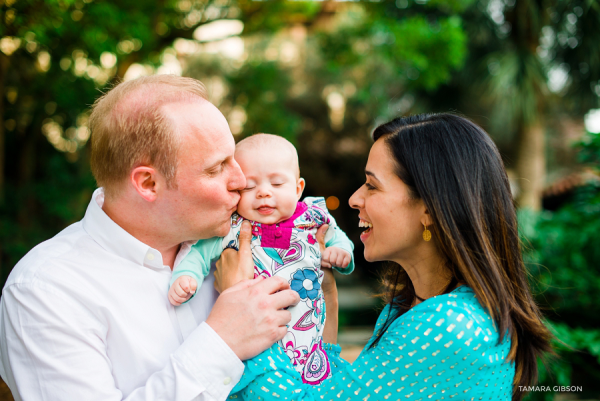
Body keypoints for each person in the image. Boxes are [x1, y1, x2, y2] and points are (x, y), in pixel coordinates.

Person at [0, 75, 301, 400]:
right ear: (147, 184)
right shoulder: (46, 292)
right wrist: (222, 342)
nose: (241, 181)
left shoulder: (238, 244)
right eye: (216, 169)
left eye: (235, 160)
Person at [225, 113, 553, 401]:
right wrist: (327, 297)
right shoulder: (410, 305)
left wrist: (240, 309)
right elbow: (346, 391)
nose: (354, 199)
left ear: (428, 209)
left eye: (372, 186)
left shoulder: (449, 325)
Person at [168, 133, 355, 385]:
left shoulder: (313, 217)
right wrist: (186, 276)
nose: (264, 193)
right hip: (254, 347)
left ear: (298, 188)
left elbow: (340, 241)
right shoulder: (233, 226)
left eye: (277, 184)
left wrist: (341, 254)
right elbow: (199, 253)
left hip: (309, 342)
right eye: (249, 186)